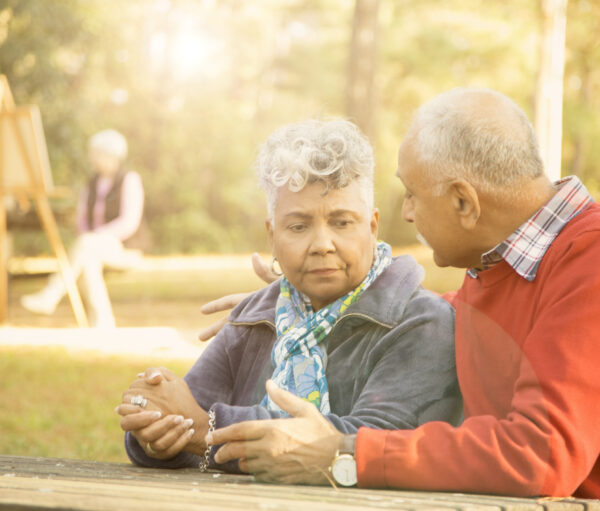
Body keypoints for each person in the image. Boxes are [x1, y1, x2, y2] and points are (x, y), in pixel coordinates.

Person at [202, 88, 600, 498]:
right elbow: (440, 317)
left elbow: (539, 455)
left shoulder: (589, 262)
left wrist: (345, 453)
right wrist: (301, 304)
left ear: (464, 202)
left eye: (412, 194)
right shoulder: (502, 267)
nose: (407, 212)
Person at [115, 119, 462, 475]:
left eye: (342, 222)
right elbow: (184, 414)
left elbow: (371, 442)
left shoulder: (421, 321)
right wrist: (156, 431)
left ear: (372, 227)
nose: (322, 245)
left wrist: (207, 429)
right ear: (272, 234)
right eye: (298, 226)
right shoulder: (258, 314)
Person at [21, 129, 145, 327]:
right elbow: (82, 219)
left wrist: (96, 236)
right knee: (88, 262)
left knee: (88, 245)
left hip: (122, 246)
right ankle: (102, 323)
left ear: (111, 156)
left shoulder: (129, 179)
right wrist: (89, 238)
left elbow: (129, 222)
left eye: (96, 154)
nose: (92, 158)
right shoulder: (92, 183)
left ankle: (51, 294)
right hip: (92, 247)